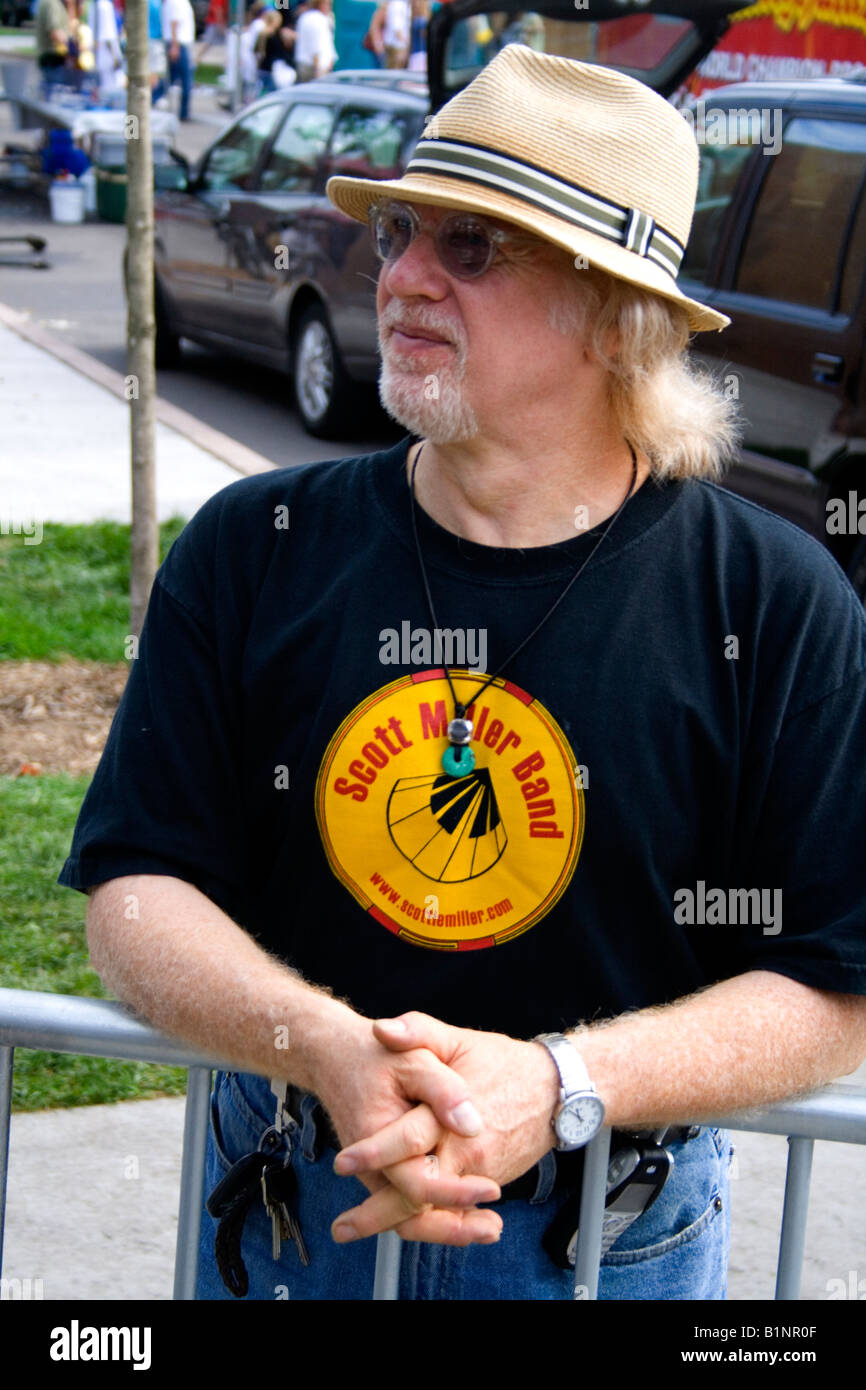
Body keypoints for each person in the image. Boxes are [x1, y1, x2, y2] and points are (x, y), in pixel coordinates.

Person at [62, 44, 866, 1301]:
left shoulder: (769, 601)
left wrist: (560, 1086)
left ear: (616, 313)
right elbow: (132, 886)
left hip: (605, 1240)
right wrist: (324, 1047)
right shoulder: (255, 548)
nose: (399, 277)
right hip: (289, 1216)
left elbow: (835, 979)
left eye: (472, 248)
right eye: (397, 233)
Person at [151, 0, 195, 121]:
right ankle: (184, 112)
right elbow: (174, 22)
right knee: (185, 79)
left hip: (177, 43)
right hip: (178, 44)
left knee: (171, 77)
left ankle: (153, 98)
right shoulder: (176, 2)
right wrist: (175, 46)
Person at [35, 0, 74, 91]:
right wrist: (73, 48)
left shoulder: (56, 3)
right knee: (54, 92)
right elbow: (54, 31)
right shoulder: (52, 3)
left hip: (52, 58)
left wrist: (70, 5)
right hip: (53, 58)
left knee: (50, 90)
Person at [292, 0, 335, 81]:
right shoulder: (317, 19)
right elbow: (316, 48)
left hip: (306, 66)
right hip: (315, 69)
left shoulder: (305, 17)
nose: (330, 7)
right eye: (328, 4)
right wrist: (319, 71)